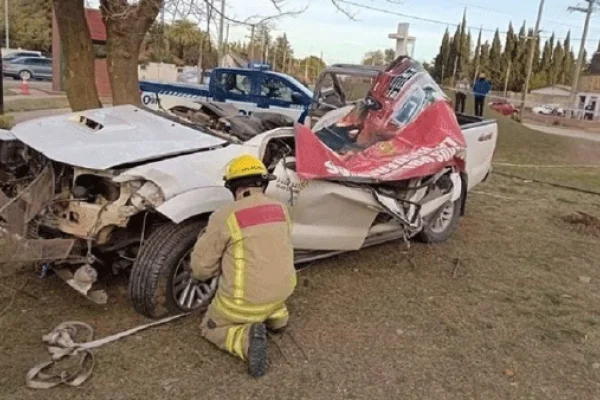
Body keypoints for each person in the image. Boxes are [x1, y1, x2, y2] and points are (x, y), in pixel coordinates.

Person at [188, 154, 297, 378]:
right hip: (283, 293)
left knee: (210, 327)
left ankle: (244, 339)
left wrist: (203, 274)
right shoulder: (281, 209)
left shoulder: (225, 216)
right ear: (263, 183)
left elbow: (201, 267)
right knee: (270, 294)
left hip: (242, 303)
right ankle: (277, 320)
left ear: (233, 187)